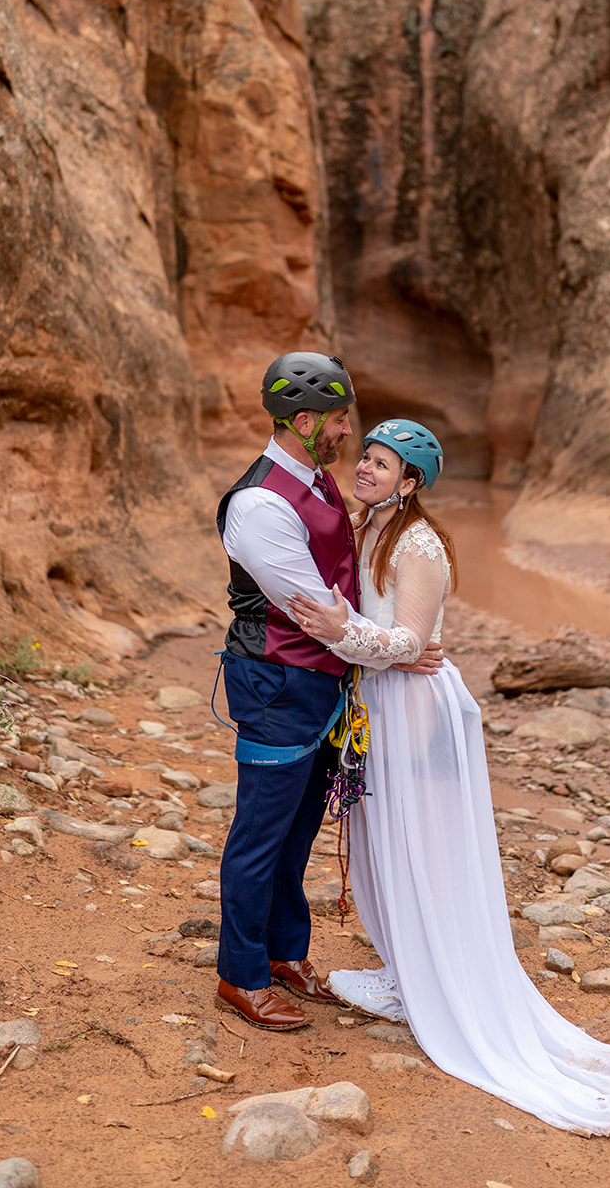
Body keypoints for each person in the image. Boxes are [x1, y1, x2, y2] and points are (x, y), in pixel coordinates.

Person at [288, 418, 610, 1136]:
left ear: (412, 480)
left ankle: (438, 979)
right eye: (363, 456)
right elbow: (387, 635)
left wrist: (341, 633)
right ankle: (404, 966)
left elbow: (410, 642)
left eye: (380, 462)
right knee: (379, 841)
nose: (363, 467)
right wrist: (361, 643)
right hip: (375, 701)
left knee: (422, 842)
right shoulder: (364, 526)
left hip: (414, 709)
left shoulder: (418, 545)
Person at [214, 355, 444, 1032]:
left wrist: (386, 647)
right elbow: (316, 611)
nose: (350, 433)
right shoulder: (259, 504)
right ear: (307, 420)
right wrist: (396, 649)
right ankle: (240, 974)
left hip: (322, 686)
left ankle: (286, 954)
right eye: (342, 420)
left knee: (296, 833)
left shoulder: (314, 481)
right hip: (276, 683)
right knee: (259, 835)